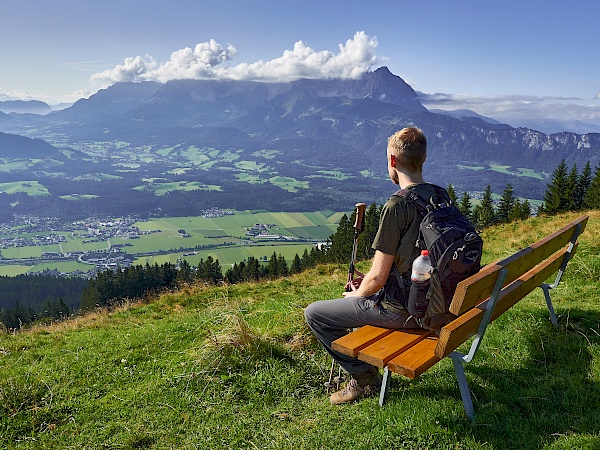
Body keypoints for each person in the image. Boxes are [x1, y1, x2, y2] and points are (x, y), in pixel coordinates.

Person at [304, 127, 446, 405]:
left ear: (392, 161)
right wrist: (369, 282)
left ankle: (364, 379)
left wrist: (357, 294)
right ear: (424, 159)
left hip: (406, 309)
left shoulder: (397, 206)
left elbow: (378, 279)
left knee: (315, 314)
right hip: (439, 298)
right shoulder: (440, 196)